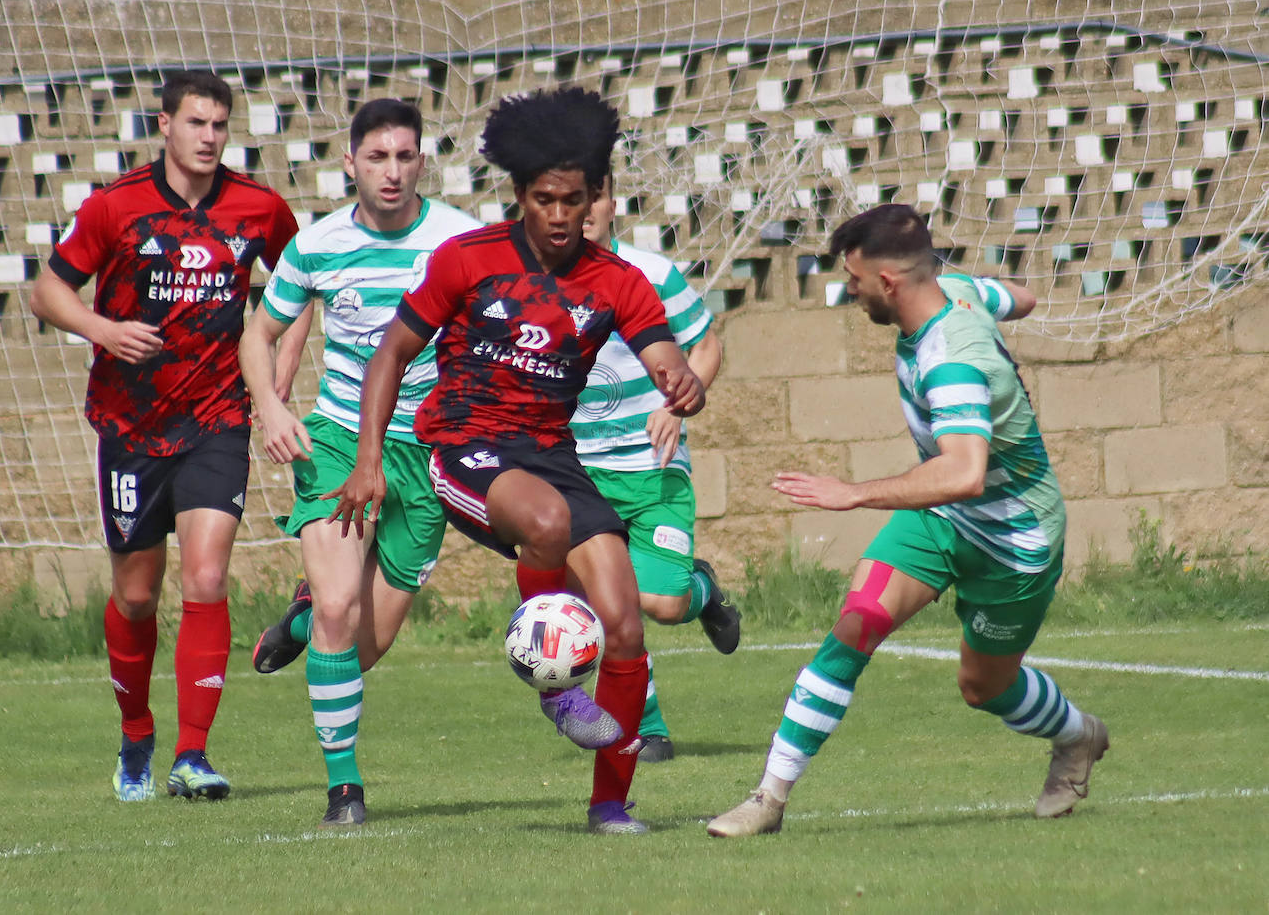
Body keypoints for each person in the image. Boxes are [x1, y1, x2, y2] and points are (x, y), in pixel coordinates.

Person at [328, 87, 706, 834]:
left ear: (596, 195)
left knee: (627, 626)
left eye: (574, 199)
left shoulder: (618, 283)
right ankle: (555, 682)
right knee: (549, 520)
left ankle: (609, 805)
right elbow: (390, 355)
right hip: (462, 444)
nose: (559, 216)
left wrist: (681, 380)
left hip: (550, 456)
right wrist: (370, 460)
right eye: (544, 199)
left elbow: (663, 351)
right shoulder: (467, 259)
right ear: (520, 196)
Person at [707, 204, 1108, 837]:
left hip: (1015, 540)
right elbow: (1024, 298)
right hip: (946, 520)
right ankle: (769, 799)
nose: (852, 290)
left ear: (889, 283)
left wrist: (854, 494)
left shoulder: (951, 364)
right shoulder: (957, 290)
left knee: (985, 688)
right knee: (858, 622)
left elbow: (964, 471)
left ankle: (1078, 735)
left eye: (855, 279)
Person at [29, 70, 298, 802]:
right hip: (132, 425)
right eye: (196, 123)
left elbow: (301, 286)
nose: (209, 137)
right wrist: (101, 329)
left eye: (219, 125)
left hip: (217, 419)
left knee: (208, 576)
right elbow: (46, 290)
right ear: (166, 125)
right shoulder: (117, 207)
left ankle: (194, 754)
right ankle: (136, 735)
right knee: (138, 594)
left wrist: (273, 384)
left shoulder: (259, 208)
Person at [238, 98, 480, 829]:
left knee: (357, 647)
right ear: (350, 164)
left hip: (428, 455)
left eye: (405, 156)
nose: (392, 171)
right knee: (344, 606)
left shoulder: (462, 242)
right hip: (342, 439)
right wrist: (272, 409)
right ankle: (345, 790)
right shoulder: (317, 244)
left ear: (423, 163)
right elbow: (260, 334)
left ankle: (306, 624)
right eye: (377, 157)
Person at [573, 175, 737, 763]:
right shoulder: (535, 284)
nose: (582, 210)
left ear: (612, 203)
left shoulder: (652, 274)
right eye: (568, 197)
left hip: (653, 470)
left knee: (663, 605)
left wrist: (676, 403)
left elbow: (707, 346)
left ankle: (702, 589)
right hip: (577, 475)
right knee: (601, 604)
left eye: (593, 196)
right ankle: (648, 726)